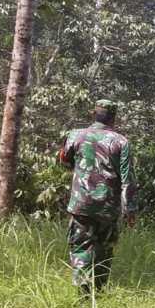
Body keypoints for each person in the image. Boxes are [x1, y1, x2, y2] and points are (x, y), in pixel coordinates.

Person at [59, 99, 137, 296]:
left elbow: (64, 160)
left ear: (94, 114)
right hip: (108, 207)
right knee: (104, 249)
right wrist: (129, 209)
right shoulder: (121, 142)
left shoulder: (75, 135)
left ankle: (84, 295)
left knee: (81, 247)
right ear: (113, 117)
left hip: (81, 204)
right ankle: (99, 293)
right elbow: (128, 180)